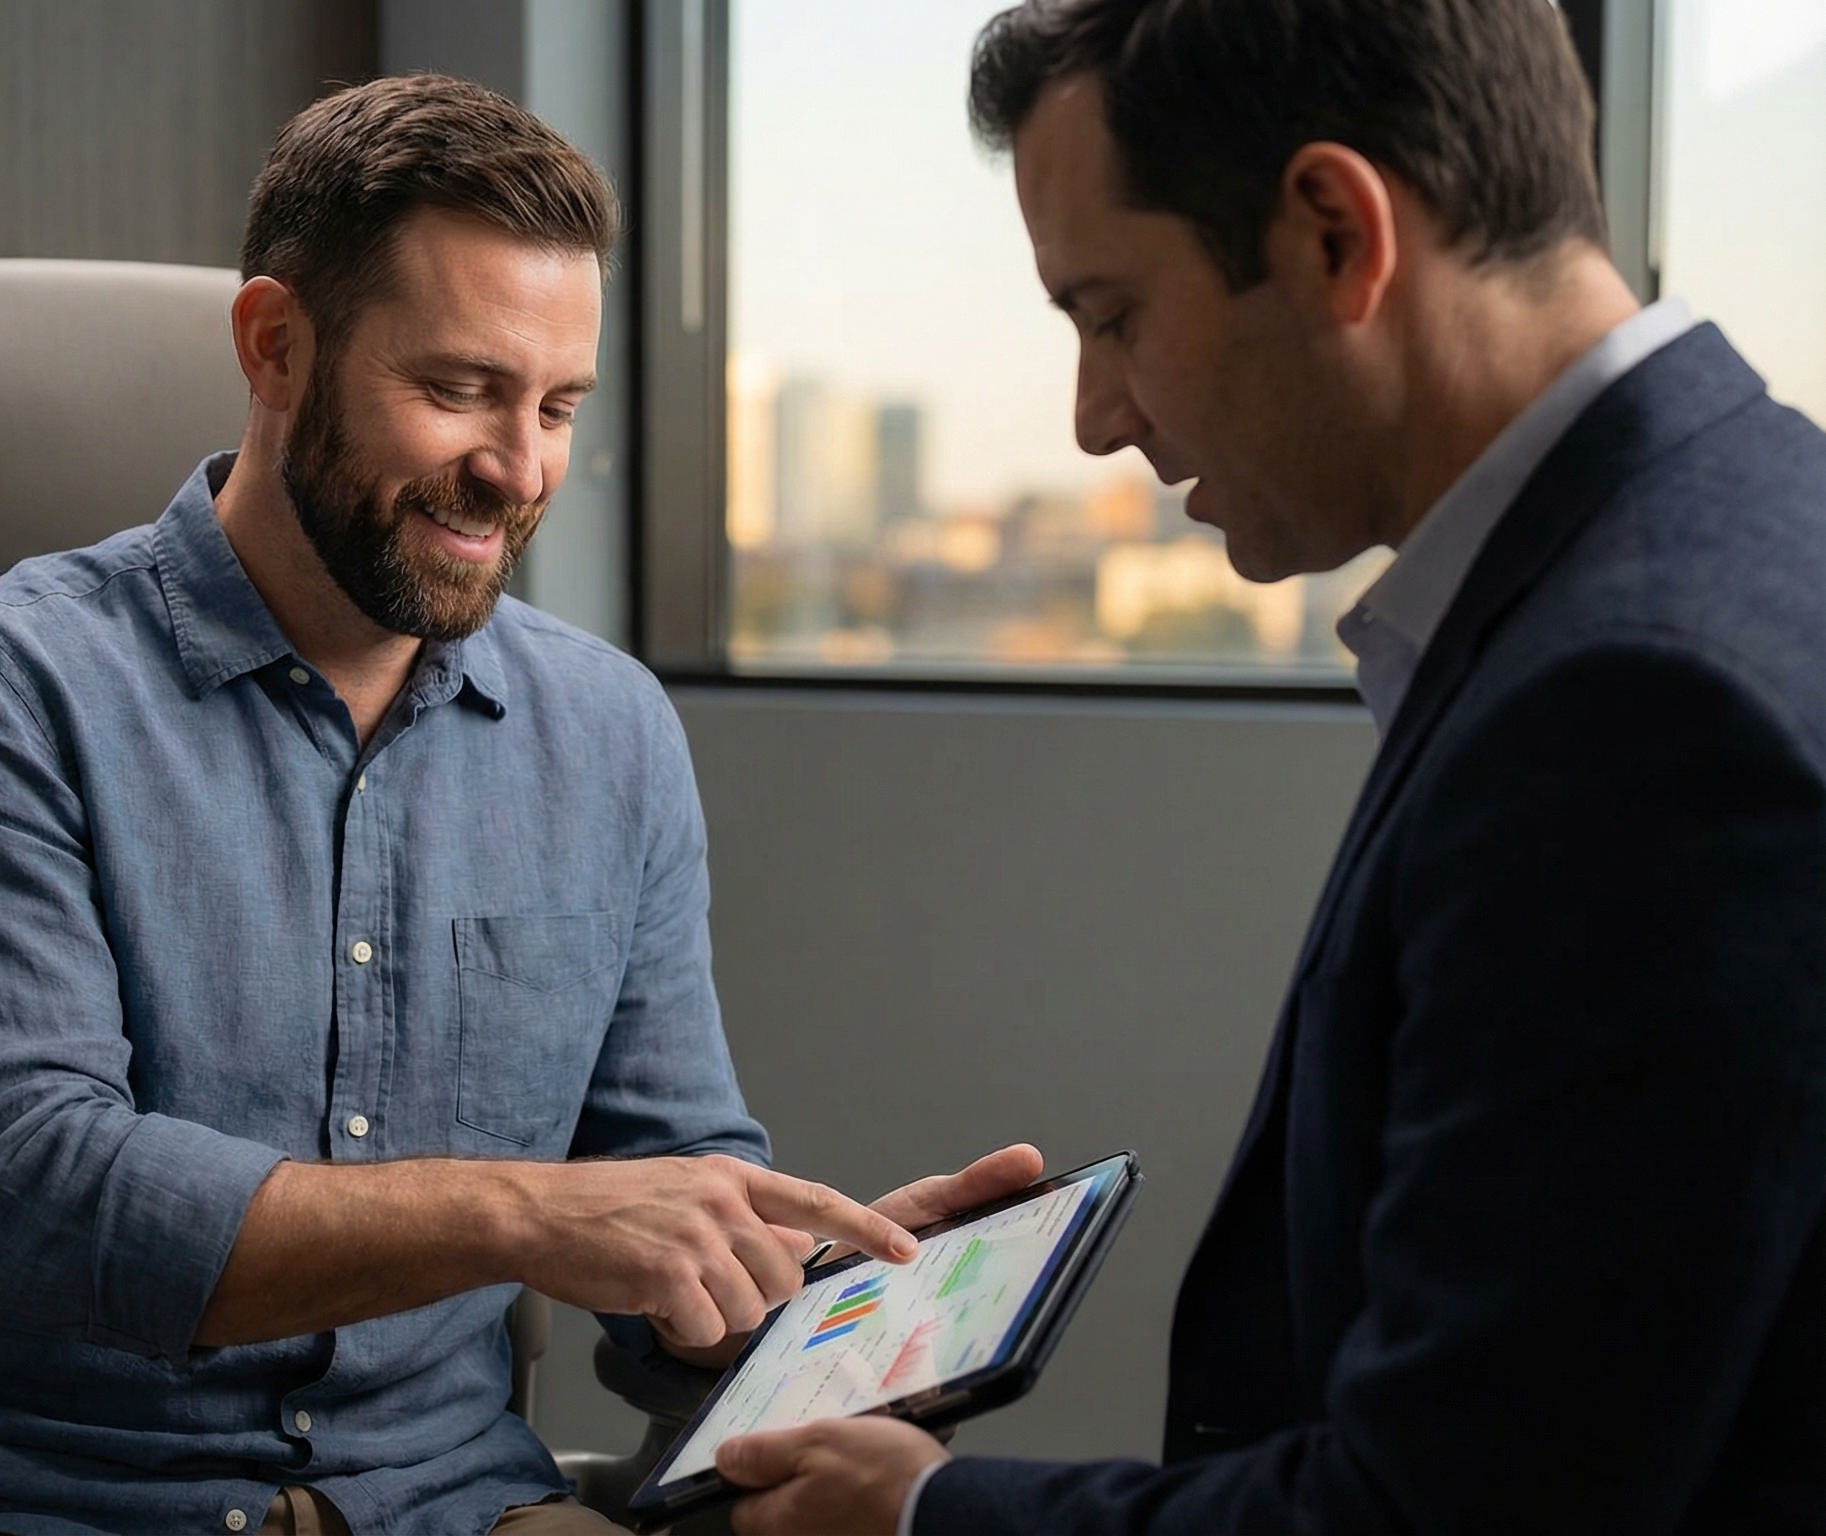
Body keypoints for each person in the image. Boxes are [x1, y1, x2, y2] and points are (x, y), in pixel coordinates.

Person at [0, 72, 1038, 1536]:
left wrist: (818, 1295)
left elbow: (658, 1213)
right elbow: (31, 1202)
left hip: (446, 1502)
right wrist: (523, 1213)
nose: (518, 471)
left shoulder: (611, 735)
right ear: (275, 348)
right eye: (458, 391)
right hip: (44, 1498)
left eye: (557, 406)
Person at [719, 1, 1826, 1531]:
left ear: (1330, 235)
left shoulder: (1637, 710)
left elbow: (1455, 1512)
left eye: (1111, 314)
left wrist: (921, 1517)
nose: (1094, 419)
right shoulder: (1741, 536)